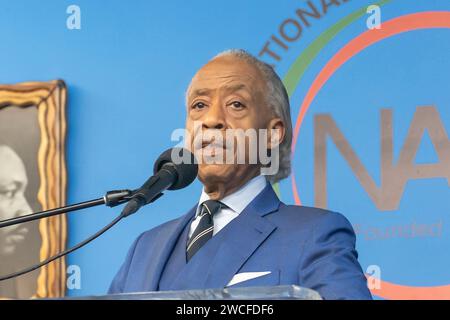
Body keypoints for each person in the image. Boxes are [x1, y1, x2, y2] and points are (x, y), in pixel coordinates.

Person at [109, 49, 372, 299]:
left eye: (236, 104)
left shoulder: (315, 234)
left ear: (272, 133)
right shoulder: (144, 248)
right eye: (199, 105)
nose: (211, 119)